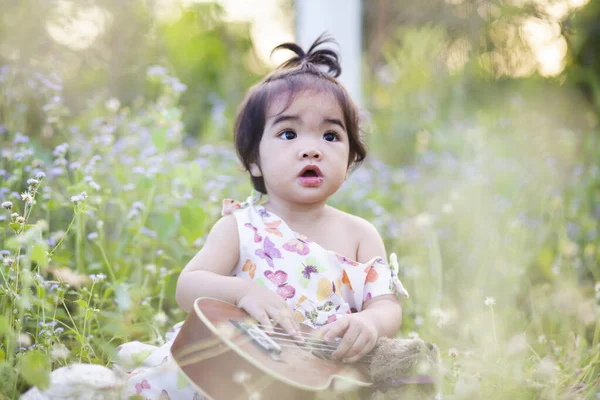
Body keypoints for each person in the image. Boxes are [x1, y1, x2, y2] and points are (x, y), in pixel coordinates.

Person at [119, 33, 409, 399]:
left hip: (319, 378)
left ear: (350, 158)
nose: (311, 150)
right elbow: (187, 286)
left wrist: (370, 321)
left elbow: (386, 305)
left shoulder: (360, 234)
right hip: (235, 370)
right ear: (254, 159)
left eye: (331, 136)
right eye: (288, 133)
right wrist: (241, 291)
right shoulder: (242, 227)